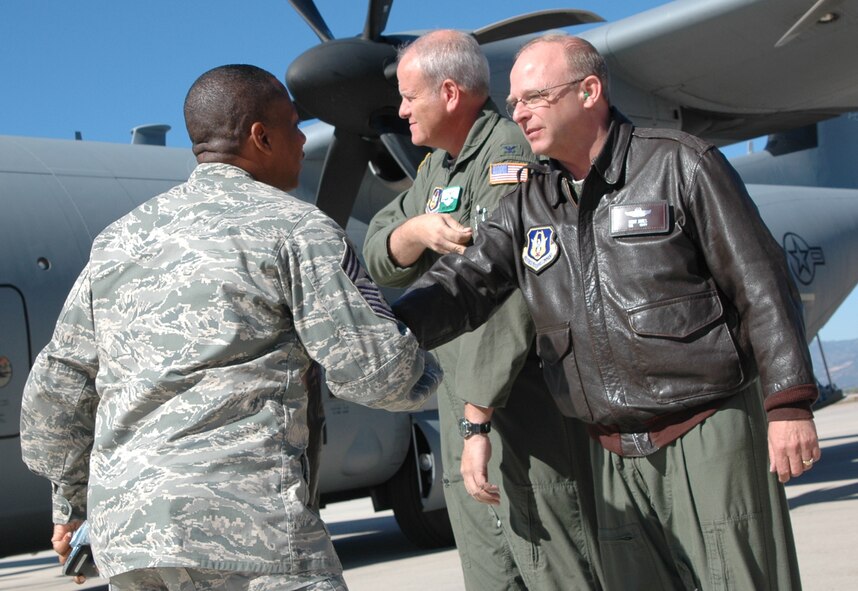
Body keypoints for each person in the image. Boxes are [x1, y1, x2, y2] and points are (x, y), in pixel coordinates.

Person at [392, 34, 822, 591]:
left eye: (534, 97)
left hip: (706, 432)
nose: (517, 113)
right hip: (610, 451)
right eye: (515, 100)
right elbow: (464, 283)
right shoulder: (529, 201)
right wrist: (386, 326)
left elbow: (760, 283)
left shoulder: (679, 164)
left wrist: (788, 405)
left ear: (589, 91)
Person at [20, 64, 441, 591]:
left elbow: (56, 390)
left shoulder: (117, 243)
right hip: (251, 534)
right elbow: (376, 373)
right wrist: (431, 367)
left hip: (131, 540)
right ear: (259, 137)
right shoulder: (296, 228)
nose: (299, 139)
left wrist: (72, 502)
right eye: (292, 125)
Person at [363, 30, 600, 590]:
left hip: (516, 406)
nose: (400, 111)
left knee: (552, 563)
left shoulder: (511, 156)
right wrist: (415, 229)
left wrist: (478, 417)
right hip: (464, 405)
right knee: (490, 572)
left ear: (449, 93)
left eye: (408, 95)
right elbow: (375, 251)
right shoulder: (436, 171)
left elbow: (510, 289)